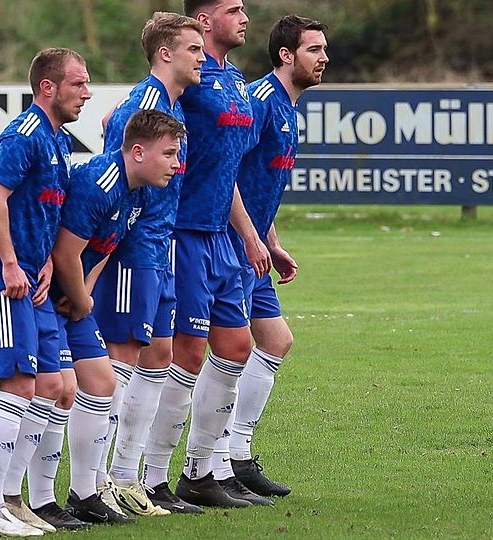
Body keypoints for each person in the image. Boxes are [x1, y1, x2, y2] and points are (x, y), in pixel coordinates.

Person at [140, 0, 271, 509]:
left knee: (237, 346)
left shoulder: (236, 79)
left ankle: (205, 471)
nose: (244, 17)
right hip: (183, 231)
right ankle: (151, 478)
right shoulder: (186, 77)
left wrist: (253, 235)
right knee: (185, 354)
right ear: (203, 18)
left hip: (222, 234)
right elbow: (134, 127)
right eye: (233, 8)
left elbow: (228, 169)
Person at [0, 47, 90, 537]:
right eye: (78, 83)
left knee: (55, 386)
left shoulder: (58, 141)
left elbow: (44, 212)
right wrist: (14, 262)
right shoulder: (25, 134)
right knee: (17, 386)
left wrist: (40, 267)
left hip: (29, 280)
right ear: (48, 88)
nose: (87, 92)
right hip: (0, 279)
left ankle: (12, 502)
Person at [91, 11, 205, 517]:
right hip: (132, 250)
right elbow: (117, 178)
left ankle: (128, 478)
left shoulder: (170, 105)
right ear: (165, 53)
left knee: (158, 355)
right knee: (122, 359)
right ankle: (96, 484)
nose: (203, 58)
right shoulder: (140, 106)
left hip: (161, 250)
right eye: (193, 49)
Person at [48, 109, 186, 525]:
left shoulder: (139, 191)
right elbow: (64, 251)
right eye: (170, 155)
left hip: (71, 295)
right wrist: (81, 298)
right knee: (45, 391)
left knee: (101, 382)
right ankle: (28, 500)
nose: (177, 164)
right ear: (138, 152)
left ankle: (85, 492)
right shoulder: (100, 181)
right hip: (43, 296)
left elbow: (104, 248)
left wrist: (84, 291)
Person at [212, 13, 329, 498]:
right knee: (228, 353)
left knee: (276, 341)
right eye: (314, 50)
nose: (324, 58)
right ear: (286, 55)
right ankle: (213, 463)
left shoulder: (287, 106)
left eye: (323, 49)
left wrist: (271, 239)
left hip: (255, 244)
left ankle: (238, 454)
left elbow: (263, 185)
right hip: (234, 243)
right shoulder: (259, 102)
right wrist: (249, 237)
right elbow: (228, 174)